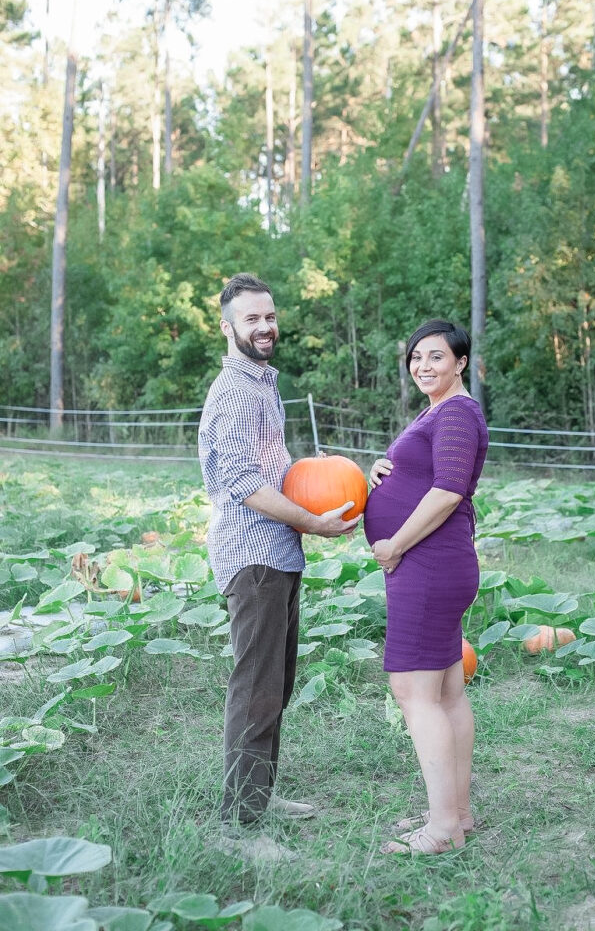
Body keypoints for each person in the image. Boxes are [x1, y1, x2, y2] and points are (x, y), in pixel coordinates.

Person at [198, 273, 358, 846]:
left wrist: (318, 489)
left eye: (269, 316)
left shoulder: (262, 381)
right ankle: (240, 825)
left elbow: (269, 466)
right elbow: (240, 479)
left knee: (276, 682)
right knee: (257, 685)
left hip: (277, 550)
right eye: (251, 319)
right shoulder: (238, 389)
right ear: (228, 327)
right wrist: (310, 519)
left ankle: (257, 793)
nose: (264, 327)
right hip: (255, 555)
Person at [363, 319, 489, 855]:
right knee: (446, 690)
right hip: (437, 564)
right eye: (416, 358)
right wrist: (380, 472)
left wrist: (393, 545)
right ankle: (457, 814)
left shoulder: (457, 411)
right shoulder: (441, 411)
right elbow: (424, 474)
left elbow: (446, 492)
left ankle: (441, 830)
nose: (423, 366)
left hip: (428, 563)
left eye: (435, 356)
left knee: (413, 692)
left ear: (459, 362)